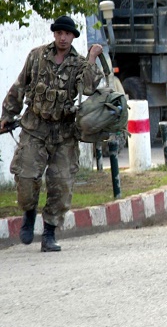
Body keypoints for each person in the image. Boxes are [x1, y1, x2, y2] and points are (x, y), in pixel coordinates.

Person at [1, 16, 103, 251]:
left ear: (73, 37)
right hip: (35, 128)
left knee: (61, 185)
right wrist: (8, 115)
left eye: (67, 34)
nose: (63, 37)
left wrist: (92, 58)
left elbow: (88, 87)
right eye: (59, 33)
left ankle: (49, 233)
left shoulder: (79, 63)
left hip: (64, 134)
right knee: (25, 178)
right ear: (54, 34)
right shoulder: (36, 56)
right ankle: (29, 213)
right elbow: (19, 86)